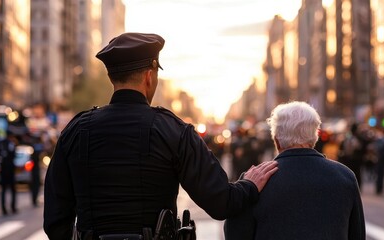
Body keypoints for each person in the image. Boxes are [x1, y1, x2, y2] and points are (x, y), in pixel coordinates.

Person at [43, 32, 278, 240]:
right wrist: (249, 185)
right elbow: (221, 203)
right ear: (149, 76)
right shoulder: (173, 130)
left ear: (112, 77)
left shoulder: (76, 130)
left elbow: (55, 220)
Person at [224, 101, 365, 240]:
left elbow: (235, 233)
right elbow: (357, 235)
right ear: (314, 138)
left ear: (276, 140)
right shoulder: (345, 177)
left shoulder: (255, 181)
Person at [0, 130, 18, 215]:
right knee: (12, 190)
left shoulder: (0, 143)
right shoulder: (11, 144)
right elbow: (14, 155)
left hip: (3, 169)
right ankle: (13, 207)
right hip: (10, 170)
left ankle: (3, 208)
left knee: (3, 190)